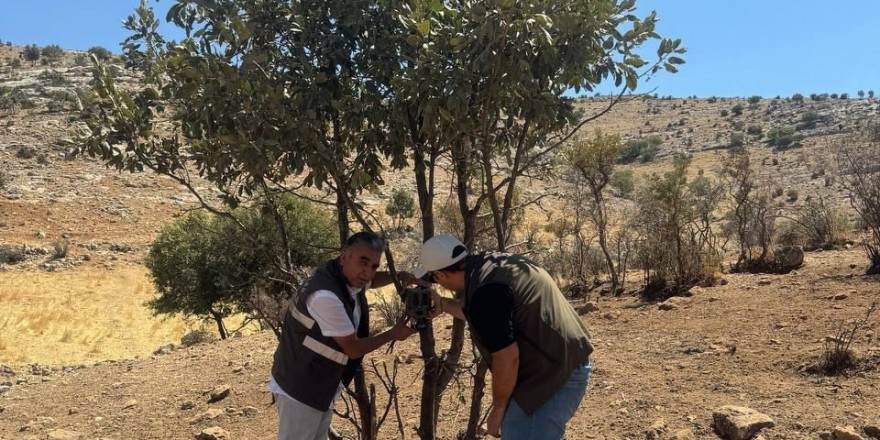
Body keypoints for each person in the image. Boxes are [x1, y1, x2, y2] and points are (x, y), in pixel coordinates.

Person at [412, 234, 594, 440]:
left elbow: (507, 356)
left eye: (433, 279)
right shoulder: (490, 266)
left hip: (553, 376)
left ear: (439, 275)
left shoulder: (486, 292)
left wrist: (498, 408)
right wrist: (443, 305)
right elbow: (487, 315)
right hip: (566, 359)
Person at [269, 231, 416, 440]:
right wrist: (393, 333)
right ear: (344, 257)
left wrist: (398, 276)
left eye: (374, 266)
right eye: (363, 262)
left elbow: (370, 282)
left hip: (316, 385)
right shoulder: (326, 296)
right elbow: (353, 349)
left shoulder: (338, 277)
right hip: (300, 388)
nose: (368, 272)